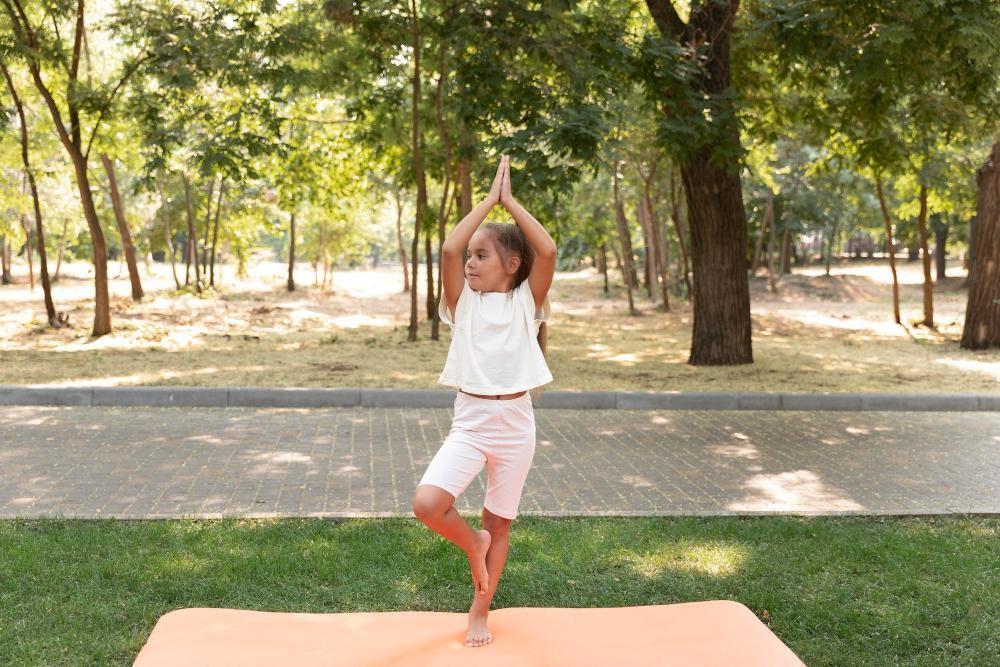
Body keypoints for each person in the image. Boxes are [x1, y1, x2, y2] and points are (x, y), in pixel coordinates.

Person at [411, 154, 556, 648]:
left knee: (500, 522)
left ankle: (480, 611)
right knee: (429, 504)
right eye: (472, 256)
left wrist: (512, 205)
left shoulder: (525, 303)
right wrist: (488, 201)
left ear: (512, 266)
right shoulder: (463, 305)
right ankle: (473, 543)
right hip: (471, 423)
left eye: (483, 256)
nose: (470, 262)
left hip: (516, 424)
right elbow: (450, 247)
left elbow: (548, 250)